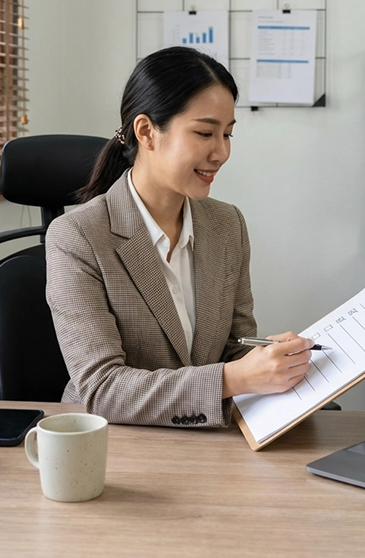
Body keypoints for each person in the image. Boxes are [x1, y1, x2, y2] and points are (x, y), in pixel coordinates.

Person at [45, 46, 313, 428]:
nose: (221, 152)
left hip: (211, 438)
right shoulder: (77, 237)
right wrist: (233, 378)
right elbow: (101, 389)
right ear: (146, 132)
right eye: (205, 132)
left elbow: (237, 349)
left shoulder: (227, 225)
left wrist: (273, 364)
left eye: (228, 134)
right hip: (114, 445)